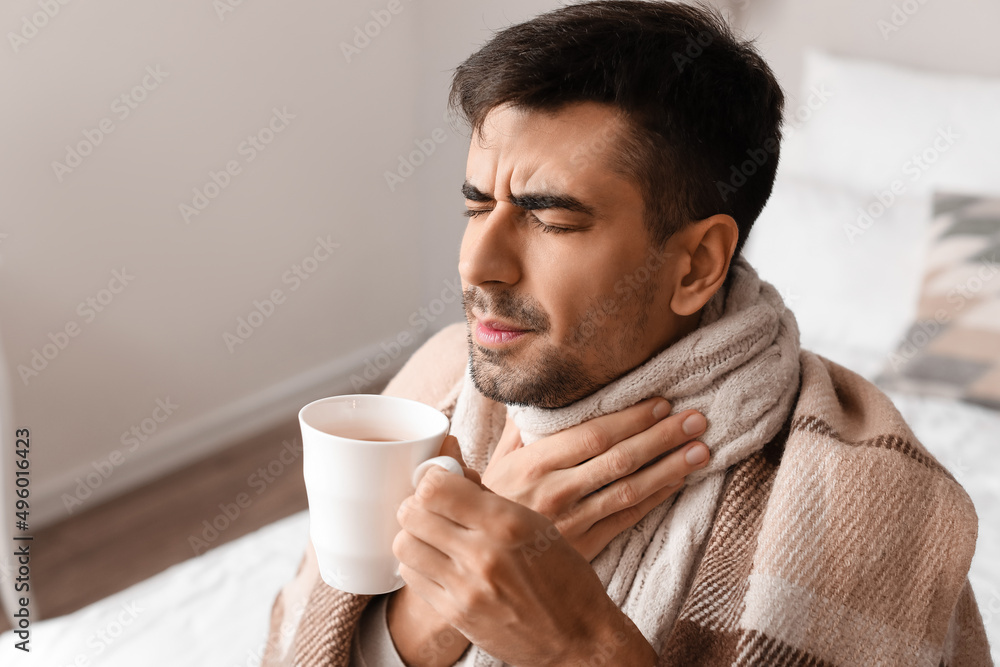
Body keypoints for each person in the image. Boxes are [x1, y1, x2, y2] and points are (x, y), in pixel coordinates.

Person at [262, 2, 992, 666]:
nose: (476, 264)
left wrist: (578, 642)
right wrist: (428, 617)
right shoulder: (439, 378)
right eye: (477, 207)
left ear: (696, 264)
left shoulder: (872, 506)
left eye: (551, 219)